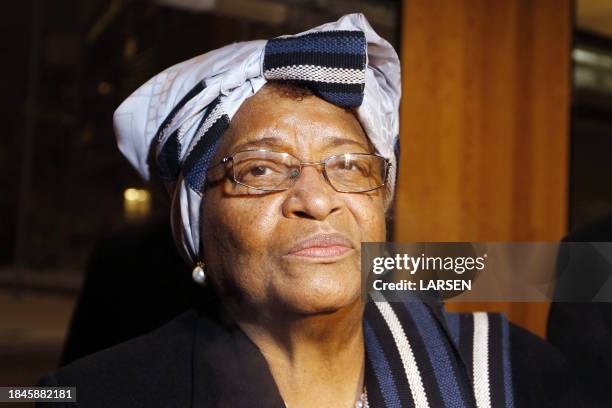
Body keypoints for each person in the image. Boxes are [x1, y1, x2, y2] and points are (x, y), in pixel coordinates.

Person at [38, 14, 580, 407]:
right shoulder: (103, 393)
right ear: (195, 230)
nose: (318, 199)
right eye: (260, 170)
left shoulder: (509, 374)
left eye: (349, 166)